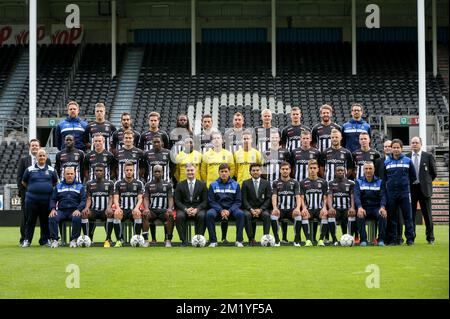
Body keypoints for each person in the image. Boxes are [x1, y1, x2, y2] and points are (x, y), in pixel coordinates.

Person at [16, 138, 51, 246]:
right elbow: (20, 179)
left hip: (44, 198)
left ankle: (44, 240)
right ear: (29, 147)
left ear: (39, 147)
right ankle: (24, 239)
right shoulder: (23, 160)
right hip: (28, 197)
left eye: (36, 145)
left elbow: (52, 180)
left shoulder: (47, 161)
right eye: (33, 145)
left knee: (44, 218)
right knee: (26, 219)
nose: (34, 147)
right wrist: (26, 193)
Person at [20, 149, 58, 247]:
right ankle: (27, 240)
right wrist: (33, 189)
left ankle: (45, 241)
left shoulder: (51, 170)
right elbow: (24, 182)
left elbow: (55, 183)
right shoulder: (29, 169)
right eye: (39, 156)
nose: (41, 157)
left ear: (46, 157)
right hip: (32, 200)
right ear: (36, 157)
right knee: (30, 221)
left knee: (45, 221)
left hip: (46, 200)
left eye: (43, 156)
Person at [383, 139, 416, 246]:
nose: (396, 149)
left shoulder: (408, 161)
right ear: (391, 148)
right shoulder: (386, 162)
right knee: (392, 217)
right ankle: (393, 239)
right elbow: (384, 178)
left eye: (398, 147)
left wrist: (404, 185)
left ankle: (410, 239)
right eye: (394, 147)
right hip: (391, 194)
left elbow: (413, 177)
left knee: (408, 217)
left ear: (401, 149)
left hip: (405, 193)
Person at [271, 162, 311, 247]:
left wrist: (297, 208)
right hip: (280, 209)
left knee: (298, 216)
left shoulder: (295, 182)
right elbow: (274, 196)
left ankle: (296, 241)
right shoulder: (275, 182)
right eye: (283, 169)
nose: (285, 171)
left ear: (290, 170)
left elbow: (298, 197)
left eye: (287, 169)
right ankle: (277, 241)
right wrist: (275, 208)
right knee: (273, 216)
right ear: (280, 170)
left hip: (291, 210)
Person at [206, 164, 245, 247]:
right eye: (222, 172)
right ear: (218, 173)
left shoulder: (236, 184)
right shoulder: (213, 185)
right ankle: (213, 241)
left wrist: (229, 211)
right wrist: (221, 210)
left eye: (226, 171)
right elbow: (211, 201)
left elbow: (238, 202)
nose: (224, 173)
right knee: (209, 214)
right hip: (217, 210)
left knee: (241, 214)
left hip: (232, 209)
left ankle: (239, 240)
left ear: (229, 172)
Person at [408, 136, 437, 244]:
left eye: (416, 142)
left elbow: (433, 173)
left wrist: (426, 182)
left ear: (420, 144)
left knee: (427, 215)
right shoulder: (406, 157)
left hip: (424, 189)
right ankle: (411, 238)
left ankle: (430, 238)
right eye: (413, 143)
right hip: (411, 189)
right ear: (411, 145)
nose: (414, 144)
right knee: (411, 215)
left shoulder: (428, 156)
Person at [48, 167, 86, 248]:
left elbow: (83, 200)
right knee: (52, 216)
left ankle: (73, 240)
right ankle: (55, 240)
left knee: (77, 217)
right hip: (61, 211)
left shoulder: (80, 186)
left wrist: (78, 209)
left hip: (74, 211)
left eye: (71, 174)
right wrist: (53, 209)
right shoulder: (58, 186)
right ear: (64, 175)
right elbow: (53, 199)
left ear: (74, 174)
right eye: (67, 174)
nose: (70, 175)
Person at [354, 162, 388, 246]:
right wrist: (359, 207)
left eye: (370, 169)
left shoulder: (380, 182)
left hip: (376, 208)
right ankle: (363, 240)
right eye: (366, 169)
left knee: (382, 215)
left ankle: (381, 240)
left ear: (374, 170)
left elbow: (383, 196)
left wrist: (382, 207)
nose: (368, 171)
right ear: (363, 170)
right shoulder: (358, 181)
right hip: (364, 207)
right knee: (360, 215)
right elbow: (357, 196)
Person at [174, 164, 208, 246]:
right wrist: (185, 209)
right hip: (184, 209)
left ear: (196, 171)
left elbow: (205, 201)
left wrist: (197, 209)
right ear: (185, 172)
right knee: (179, 216)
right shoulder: (180, 185)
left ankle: (198, 240)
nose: (190, 172)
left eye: (192, 170)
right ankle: (183, 241)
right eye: (188, 170)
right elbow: (177, 201)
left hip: (198, 209)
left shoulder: (202, 184)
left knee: (202, 216)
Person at [113, 162, 145, 247]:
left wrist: (137, 208)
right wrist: (118, 208)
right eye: (127, 170)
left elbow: (140, 198)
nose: (129, 172)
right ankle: (119, 240)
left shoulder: (139, 183)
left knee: (137, 214)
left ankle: (136, 239)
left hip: (133, 209)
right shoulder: (118, 183)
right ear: (124, 171)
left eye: (131, 170)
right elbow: (115, 198)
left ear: (134, 171)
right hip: (123, 209)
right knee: (117, 214)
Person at [82, 164, 115, 247]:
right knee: (85, 214)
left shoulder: (110, 183)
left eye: (100, 170)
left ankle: (108, 238)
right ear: (94, 172)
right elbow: (89, 198)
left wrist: (109, 207)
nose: (98, 172)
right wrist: (86, 208)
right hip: (94, 210)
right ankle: (88, 238)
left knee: (110, 213)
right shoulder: (89, 183)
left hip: (105, 210)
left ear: (104, 172)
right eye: (97, 170)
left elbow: (111, 197)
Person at [143, 165, 175, 247]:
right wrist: (146, 208)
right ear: (152, 173)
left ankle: (168, 240)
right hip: (152, 210)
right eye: (155, 172)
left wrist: (170, 208)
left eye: (159, 171)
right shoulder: (148, 185)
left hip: (163, 211)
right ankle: (146, 240)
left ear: (162, 173)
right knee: (145, 215)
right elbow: (146, 198)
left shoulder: (168, 185)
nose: (157, 173)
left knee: (170, 215)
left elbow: (170, 198)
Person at [300, 160, 330, 246]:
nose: (312, 170)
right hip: (308, 208)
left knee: (324, 214)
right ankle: (308, 240)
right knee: (304, 215)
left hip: (319, 208)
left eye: (314, 168)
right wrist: (304, 208)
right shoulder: (303, 182)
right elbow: (302, 197)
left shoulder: (323, 182)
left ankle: (320, 240)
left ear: (317, 169)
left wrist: (324, 208)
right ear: (308, 169)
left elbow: (325, 196)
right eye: (311, 168)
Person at [241, 163, 272, 246]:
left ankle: (266, 239)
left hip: (262, 209)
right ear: (250, 172)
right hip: (249, 209)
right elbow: (244, 199)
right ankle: (251, 239)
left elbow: (268, 199)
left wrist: (261, 209)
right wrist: (251, 209)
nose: (255, 172)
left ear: (261, 171)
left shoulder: (266, 183)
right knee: (246, 215)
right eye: (253, 170)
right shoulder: (245, 183)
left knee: (266, 215)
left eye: (257, 170)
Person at [327, 166, 356, 237]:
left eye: (342, 170)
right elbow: (330, 196)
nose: (340, 172)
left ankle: (350, 237)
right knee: (331, 215)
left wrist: (352, 207)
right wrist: (330, 208)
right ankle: (334, 239)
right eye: (338, 170)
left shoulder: (351, 183)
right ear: (335, 172)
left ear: (345, 172)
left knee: (351, 214)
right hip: (336, 209)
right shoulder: (331, 183)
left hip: (347, 208)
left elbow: (352, 196)